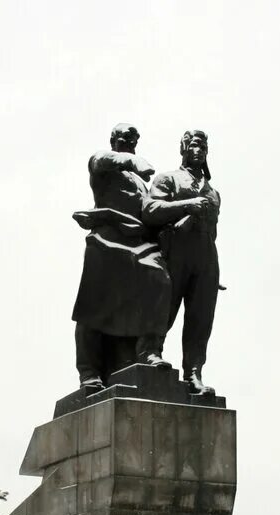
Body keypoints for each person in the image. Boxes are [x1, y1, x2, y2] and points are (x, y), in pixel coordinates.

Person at [71, 123, 173, 391]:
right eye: (125, 138)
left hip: (140, 243)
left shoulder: (141, 182)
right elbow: (106, 160)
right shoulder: (102, 162)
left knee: (160, 279)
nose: (129, 143)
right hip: (107, 239)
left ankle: (147, 352)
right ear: (114, 140)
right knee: (94, 307)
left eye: (134, 141)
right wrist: (132, 160)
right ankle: (89, 371)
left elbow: (151, 213)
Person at [142, 130, 221, 395]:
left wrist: (213, 270)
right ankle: (151, 353)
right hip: (175, 251)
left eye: (204, 146)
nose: (200, 150)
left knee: (201, 319)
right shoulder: (168, 179)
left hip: (206, 257)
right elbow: (151, 210)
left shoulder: (214, 192)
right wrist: (188, 205)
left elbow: (214, 230)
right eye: (195, 145)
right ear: (184, 148)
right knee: (165, 306)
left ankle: (194, 373)